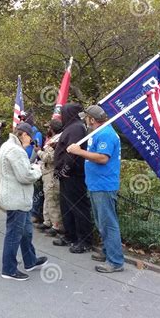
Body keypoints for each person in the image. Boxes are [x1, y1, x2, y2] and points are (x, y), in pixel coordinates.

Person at [67, 105, 124, 273]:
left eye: (86, 118)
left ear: (92, 119)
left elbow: (102, 158)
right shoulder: (99, 132)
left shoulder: (106, 133)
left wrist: (79, 152)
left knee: (108, 224)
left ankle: (115, 261)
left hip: (104, 185)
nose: (85, 120)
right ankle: (108, 253)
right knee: (102, 223)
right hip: (96, 184)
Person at [0, 122, 48, 281]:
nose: (31, 141)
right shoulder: (16, 151)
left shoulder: (7, 145)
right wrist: (38, 169)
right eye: (30, 138)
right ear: (24, 135)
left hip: (16, 197)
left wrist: (30, 168)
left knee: (26, 231)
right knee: (14, 234)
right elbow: (25, 176)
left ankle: (30, 261)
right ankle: (9, 269)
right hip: (16, 198)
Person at [53, 103, 94, 253]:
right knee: (66, 206)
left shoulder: (76, 128)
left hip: (73, 175)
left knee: (79, 208)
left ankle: (85, 241)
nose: (61, 116)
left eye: (63, 113)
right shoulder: (70, 127)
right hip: (66, 175)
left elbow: (73, 152)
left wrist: (64, 169)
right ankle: (71, 235)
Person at [36, 119, 64, 237]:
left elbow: (50, 158)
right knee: (47, 198)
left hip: (52, 173)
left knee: (52, 200)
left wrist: (39, 152)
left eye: (49, 127)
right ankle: (47, 221)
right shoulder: (52, 139)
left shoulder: (58, 140)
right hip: (46, 173)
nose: (47, 130)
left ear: (52, 129)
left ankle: (56, 225)